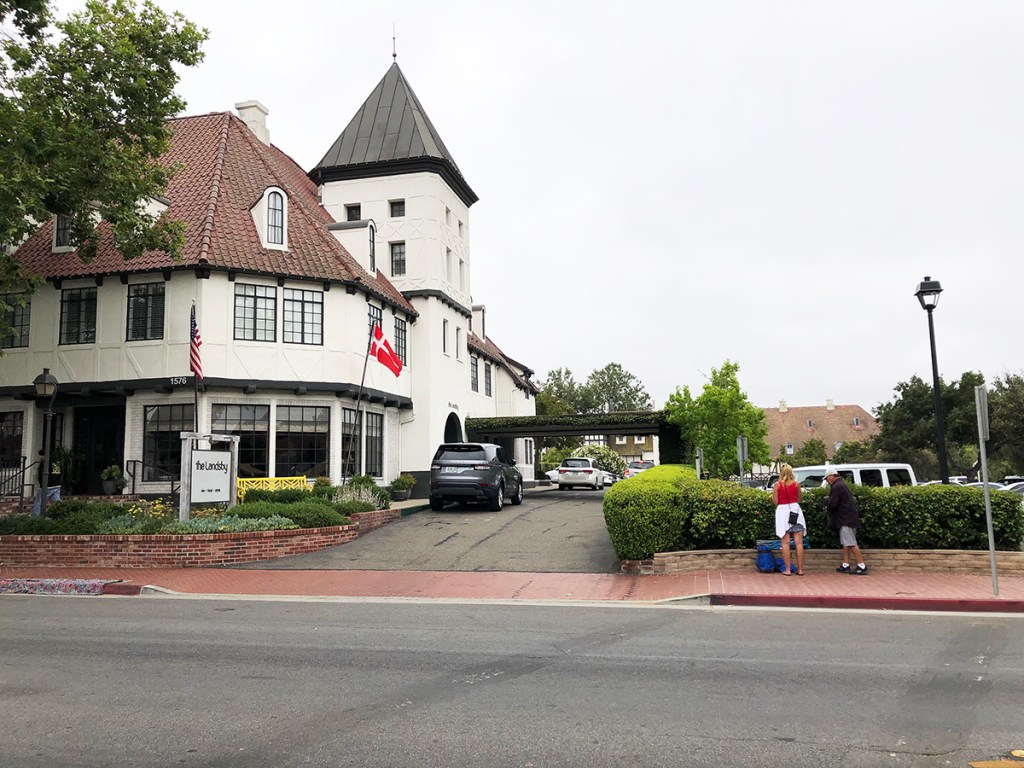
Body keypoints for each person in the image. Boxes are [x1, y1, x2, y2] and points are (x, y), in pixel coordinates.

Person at [825, 468, 867, 575]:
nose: (826, 481)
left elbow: (833, 503)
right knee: (846, 543)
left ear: (831, 476)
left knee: (851, 542)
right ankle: (845, 564)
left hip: (845, 519)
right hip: (849, 517)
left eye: (827, 478)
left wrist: (827, 508)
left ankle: (861, 565)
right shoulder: (841, 485)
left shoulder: (837, 487)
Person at [772, 463, 806, 575]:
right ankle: (800, 570)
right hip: (796, 512)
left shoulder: (777, 485)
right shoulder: (797, 484)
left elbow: (775, 501)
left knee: (785, 543)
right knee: (799, 543)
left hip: (782, 512)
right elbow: (799, 498)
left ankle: (788, 569)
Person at [33, 448, 61, 516]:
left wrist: (41, 483)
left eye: (42, 455)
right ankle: (61, 514)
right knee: (57, 502)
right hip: (57, 485)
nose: (41, 457)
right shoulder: (56, 462)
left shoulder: (45, 463)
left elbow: (41, 474)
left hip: (47, 485)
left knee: (39, 502)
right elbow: (59, 473)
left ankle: (35, 517)